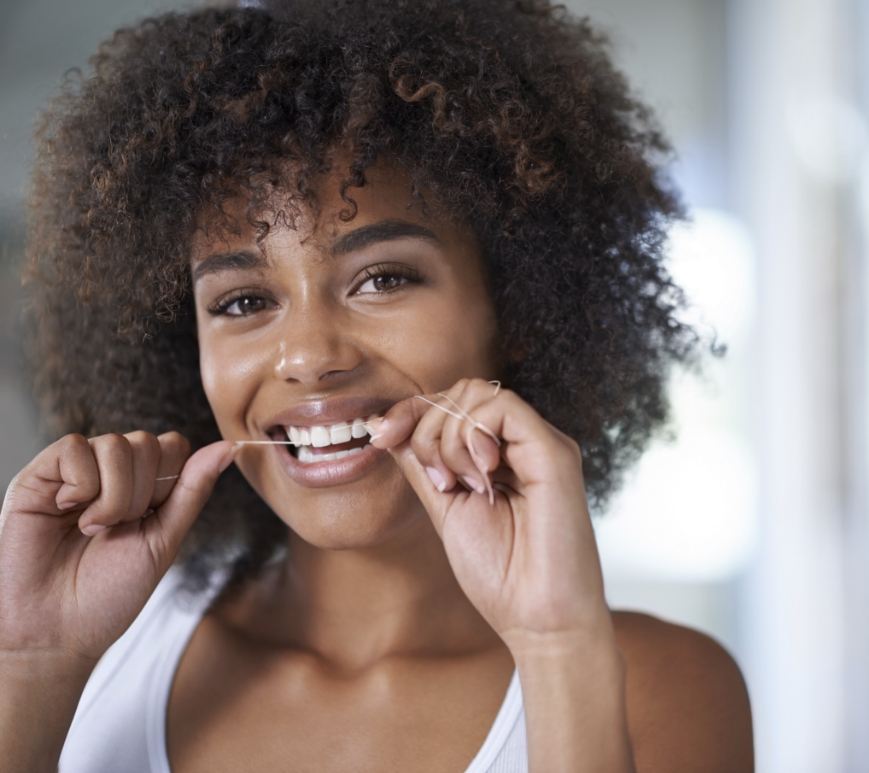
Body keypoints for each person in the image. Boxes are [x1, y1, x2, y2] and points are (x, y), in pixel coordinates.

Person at [1, 1, 753, 770]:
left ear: (518, 306)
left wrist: (555, 644)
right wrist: (31, 664)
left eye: (382, 278)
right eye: (242, 301)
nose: (307, 356)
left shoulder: (656, 685)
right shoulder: (92, 653)